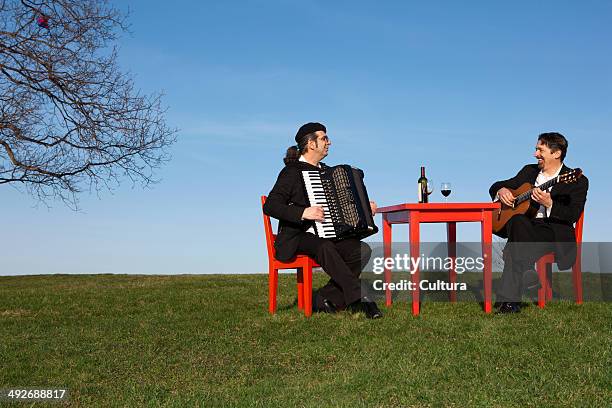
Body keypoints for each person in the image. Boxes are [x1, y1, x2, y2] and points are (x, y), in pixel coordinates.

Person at [263, 122, 383, 319]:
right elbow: (271, 206)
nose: (329, 142)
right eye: (324, 138)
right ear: (311, 144)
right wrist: (303, 213)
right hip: (298, 235)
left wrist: (364, 208)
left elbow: (346, 204)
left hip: (329, 233)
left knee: (361, 250)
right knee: (324, 246)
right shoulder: (292, 172)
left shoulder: (329, 172)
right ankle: (362, 299)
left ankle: (324, 298)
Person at [489, 132, 588, 313]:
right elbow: (496, 185)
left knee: (515, 245)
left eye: (540, 150)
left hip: (552, 232)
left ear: (556, 153)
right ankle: (525, 272)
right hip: (525, 227)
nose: (535, 154)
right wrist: (502, 190)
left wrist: (549, 203)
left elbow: (572, 214)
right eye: (536, 149)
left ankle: (509, 300)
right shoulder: (529, 171)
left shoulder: (577, 181)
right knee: (518, 220)